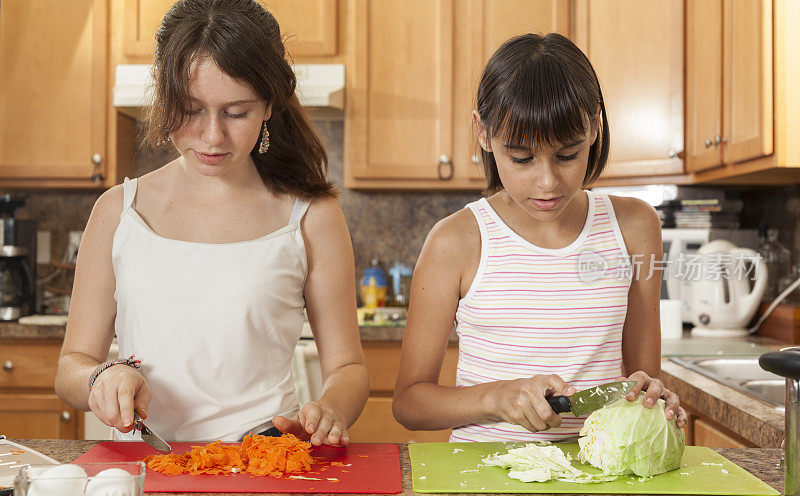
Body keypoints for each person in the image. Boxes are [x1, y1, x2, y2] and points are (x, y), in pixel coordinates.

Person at [55, 0, 368, 447]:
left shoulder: (312, 217)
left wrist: (331, 409)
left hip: (264, 468)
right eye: (191, 109)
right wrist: (101, 377)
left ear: (270, 106)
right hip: (144, 470)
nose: (212, 135)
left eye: (236, 113)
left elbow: (348, 369)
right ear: (164, 97)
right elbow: (72, 365)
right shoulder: (118, 210)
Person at [392, 33, 687, 442]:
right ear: (483, 133)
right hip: (482, 484)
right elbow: (409, 403)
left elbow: (642, 379)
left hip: (599, 477)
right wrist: (498, 397)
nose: (547, 182)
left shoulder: (635, 227)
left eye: (567, 155)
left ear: (595, 126)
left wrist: (654, 393)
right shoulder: (455, 241)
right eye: (522, 158)